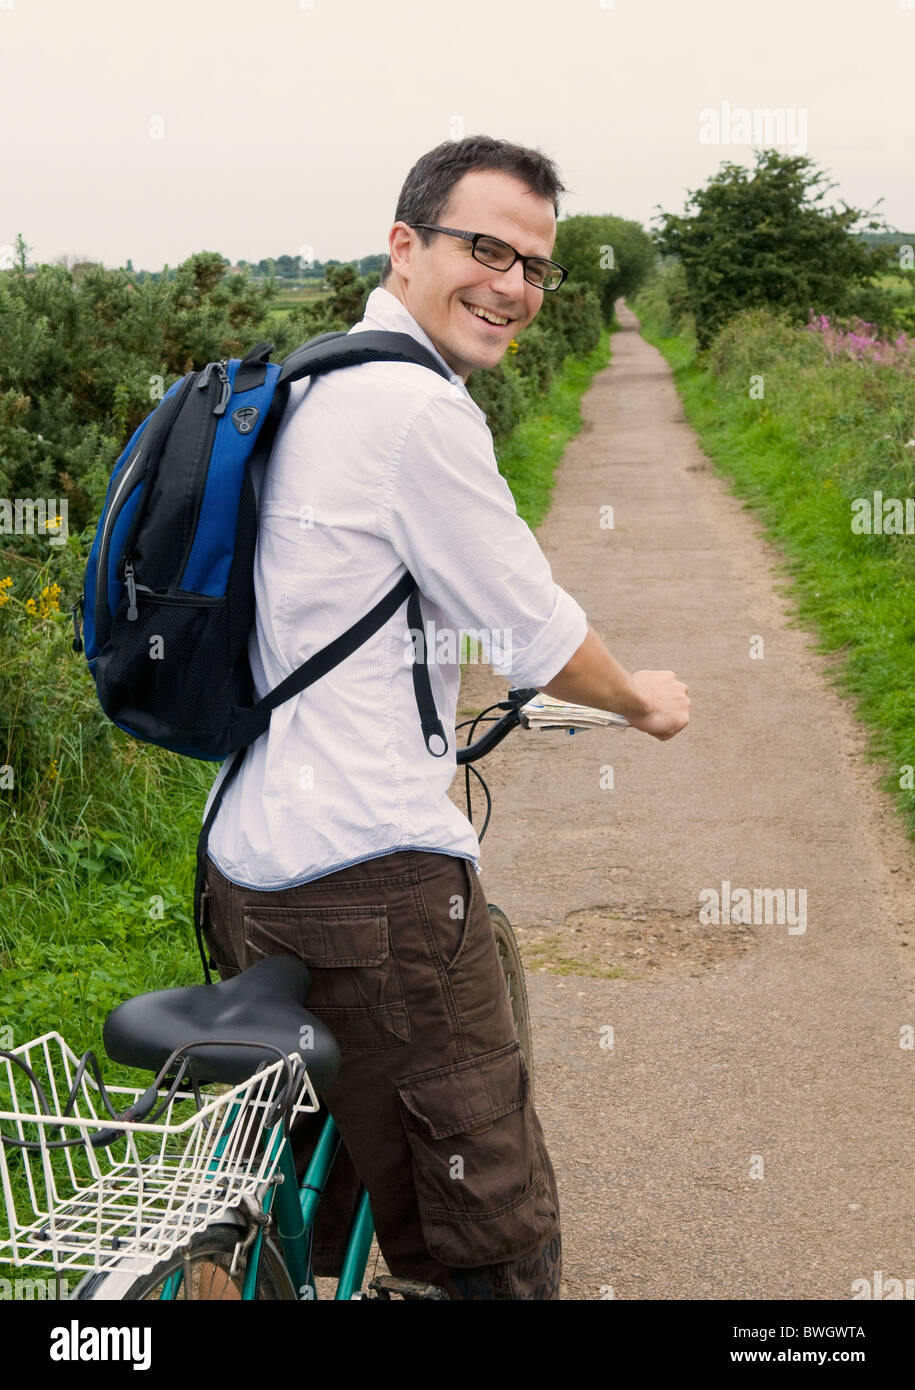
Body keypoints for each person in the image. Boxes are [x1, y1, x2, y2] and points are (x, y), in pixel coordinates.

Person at [199, 134, 690, 1300]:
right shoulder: (417, 410)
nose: (513, 285)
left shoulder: (310, 381)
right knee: (495, 1233)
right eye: (486, 249)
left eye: (535, 266)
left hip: (245, 865)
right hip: (371, 886)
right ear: (405, 246)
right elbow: (534, 635)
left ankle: (278, 1264)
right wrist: (641, 701)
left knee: (328, 1163)